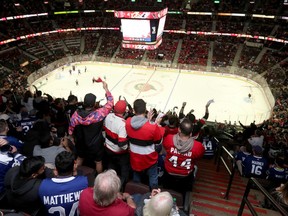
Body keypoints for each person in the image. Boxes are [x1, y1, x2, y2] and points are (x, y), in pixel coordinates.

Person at [68, 81, 114, 174]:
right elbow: (110, 102)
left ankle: (74, 174)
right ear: (94, 104)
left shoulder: (76, 115)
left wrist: (73, 139)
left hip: (81, 143)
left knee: (80, 158)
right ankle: (98, 178)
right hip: (95, 145)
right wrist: (106, 88)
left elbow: (70, 130)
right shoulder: (99, 114)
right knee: (98, 162)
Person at [125, 99, 163, 189]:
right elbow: (158, 142)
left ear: (134, 110)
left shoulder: (128, 122)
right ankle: (153, 195)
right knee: (153, 178)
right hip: (149, 159)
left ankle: (136, 192)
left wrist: (148, 121)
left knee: (136, 177)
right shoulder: (153, 127)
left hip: (135, 157)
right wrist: (155, 124)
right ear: (145, 110)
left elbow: (140, 128)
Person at [162, 118, 205, 193]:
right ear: (191, 133)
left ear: (179, 129)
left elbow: (164, 148)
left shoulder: (169, 138)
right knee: (182, 195)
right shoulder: (198, 146)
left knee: (166, 192)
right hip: (185, 176)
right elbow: (198, 157)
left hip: (169, 173)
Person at [38, 151, 88, 216]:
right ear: (74, 167)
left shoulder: (43, 186)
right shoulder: (85, 182)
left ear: (55, 169)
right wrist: (75, 172)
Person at [103, 100, 129, 190]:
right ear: (124, 111)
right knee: (124, 171)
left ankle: (109, 186)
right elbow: (122, 143)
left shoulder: (108, 116)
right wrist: (127, 148)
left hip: (108, 149)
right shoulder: (122, 124)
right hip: (119, 153)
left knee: (111, 168)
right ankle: (122, 189)